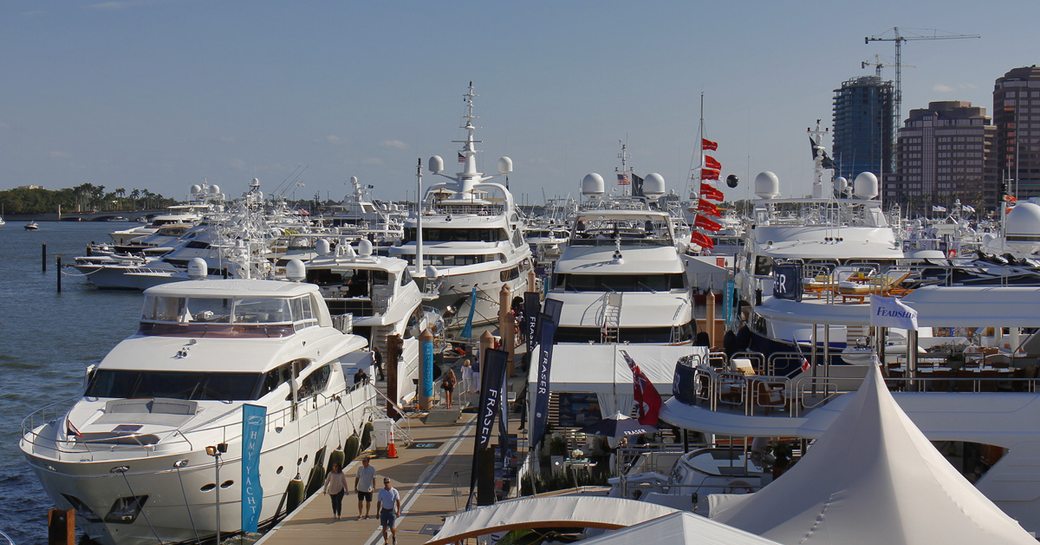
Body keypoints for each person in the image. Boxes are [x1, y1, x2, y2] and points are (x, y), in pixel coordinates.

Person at [378, 477, 402, 545]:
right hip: (384, 511)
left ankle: (394, 536)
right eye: (385, 483)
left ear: (390, 482)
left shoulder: (394, 491)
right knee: (384, 528)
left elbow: (398, 501)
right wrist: (377, 512)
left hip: (392, 511)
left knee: (392, 527)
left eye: (387, 482)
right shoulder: (381, 491)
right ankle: (386, 541)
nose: (386, 484)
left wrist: (398, 511)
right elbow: (379, 502)